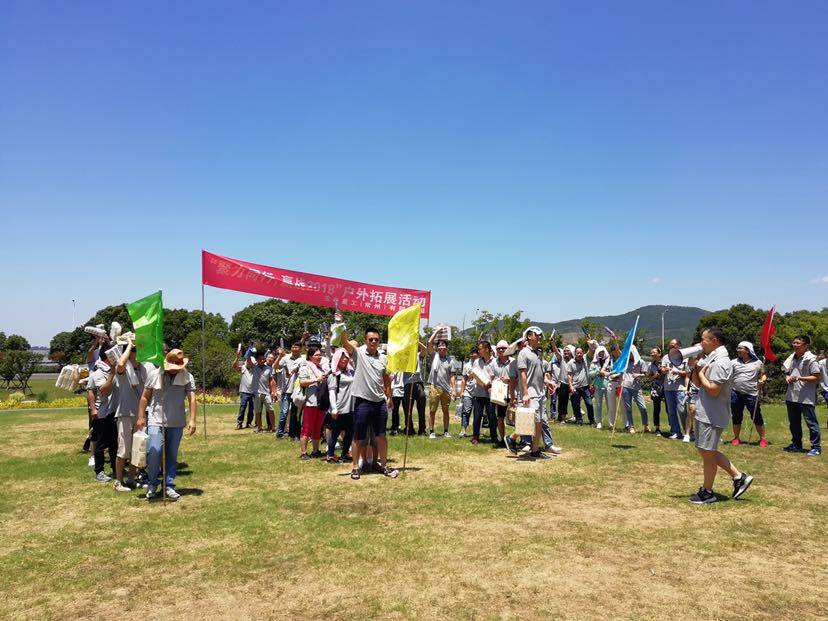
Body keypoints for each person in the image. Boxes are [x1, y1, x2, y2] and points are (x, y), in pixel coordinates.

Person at [687, 327, 753, 504]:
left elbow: (714, 390)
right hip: (706, 411)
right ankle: (738, 477)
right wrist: (695, 367)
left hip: (712, 413)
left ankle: (707, 492)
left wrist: (701, 373)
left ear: (714, 341)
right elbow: (697, 384)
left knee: (707, 453)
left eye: (704, 339)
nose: (700, 342)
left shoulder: (721, 362)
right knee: (706, 450)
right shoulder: (711, 359)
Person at [136, 349, 197, 501]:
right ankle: (152, 483)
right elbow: (145, 397)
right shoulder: (154, 374)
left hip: (176, 421)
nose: (176, 369)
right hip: (156, 419)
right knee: (154, 450)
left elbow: (192, 398)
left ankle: (169, 485)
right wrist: (141, 416)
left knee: (171, 454)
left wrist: (192, 419)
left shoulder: (187, 376)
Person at [340, 327, 398, 479]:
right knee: (358, 437)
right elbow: (345, 342)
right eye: (370, 339)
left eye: (376, 339)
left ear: (379, 341)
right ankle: (355, 467)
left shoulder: (384, 358)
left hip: (379, 402)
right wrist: (341, 327)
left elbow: (386, 379)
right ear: (365, 340)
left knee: (381, 436)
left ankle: (383, 466)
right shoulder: (358, 353)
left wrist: (389, 397)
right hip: (362, 402)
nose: (373, 342)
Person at [112, 339, 147, 491]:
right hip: (125, 413)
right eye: (135, 350)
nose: (138, 353)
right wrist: (128, 346)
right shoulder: (124, 369)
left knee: (137, 448)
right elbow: (120, 363)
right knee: (123, 450)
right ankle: (118, 482)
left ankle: (132, 479)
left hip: (140, 414)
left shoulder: (144, 369)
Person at [782, 335, 822, 456]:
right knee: (794, 423)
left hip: (806, 397)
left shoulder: (811, 359)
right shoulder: (791, 358)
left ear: (806, 346)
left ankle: (816, 447)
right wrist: (788, 377)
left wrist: (799, 378)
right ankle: (796, 444)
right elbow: (787, 372)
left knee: (811, 423)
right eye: (794, 343)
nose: (795, 345)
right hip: (792, 395)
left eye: (798, 343)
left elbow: (816, 377)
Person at [729, 341, 767, 447]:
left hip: (752, 394)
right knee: (736, 416)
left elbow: (763, 374)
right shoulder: (733, 362)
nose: (738, 350)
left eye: (740, 348)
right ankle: (736, 438)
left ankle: (763, 439)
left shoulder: (758, 362)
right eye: (737, 348)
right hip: (735, 393)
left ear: (747, 350)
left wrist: (763, 380)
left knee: (756, 416)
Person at [87, 355, 117, 482]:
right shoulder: (98, 373)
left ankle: (116, 469)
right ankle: (99, 471)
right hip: (102, 413)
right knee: (100, 443)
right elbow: (103, 390)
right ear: (107, 359)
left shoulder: (112, 371)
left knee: (114, 443)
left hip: (113, 412)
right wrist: (93, 409)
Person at [297, 346, 328, 460]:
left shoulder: (321, 368)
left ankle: (315, 451)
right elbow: (302, 382)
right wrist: (316, 380)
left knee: (317, 427)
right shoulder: (305, 367)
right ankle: (303, 452)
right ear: (310, 356)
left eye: (320, 355)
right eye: (316, 355)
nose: (319, 357)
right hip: (310, 402)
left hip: (320, 402)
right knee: (307, 427)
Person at [326, 347, 355, 463]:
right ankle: (330, 454)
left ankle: (345, 453)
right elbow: (332, 392)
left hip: (350, 408)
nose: (344, 360)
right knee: (335, 432)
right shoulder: (334, 375)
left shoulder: (350, 372)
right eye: (342, 358)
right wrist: (334, 408)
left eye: (346, 358)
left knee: (350, 432)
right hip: (339, 408)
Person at [426, 334, 456, 437]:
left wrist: (454, 389)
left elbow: (452, 376)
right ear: (437, 347)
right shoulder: (434, 356)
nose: (441, 347)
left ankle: (446, 431)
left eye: (443, 345)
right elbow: (429, 343)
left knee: (446, 411)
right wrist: (437, 331)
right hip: (435, 387)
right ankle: (431, 431)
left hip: (446, 389)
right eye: (439, 345)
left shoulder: (450, 360)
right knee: (432, 410)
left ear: (446, 347)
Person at [280, 340, 307, 440]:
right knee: (294, 413)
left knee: (302, 413)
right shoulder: (298, 361)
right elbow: (290, 372)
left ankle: (302, 433)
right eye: (293, 347)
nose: (295, 348)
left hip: (306, 388)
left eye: (297, 347)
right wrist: (287, 370)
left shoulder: (305, 359)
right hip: (296, 389)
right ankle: (294, 434)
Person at [662, 339, 689, 439]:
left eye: (673, 345)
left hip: (680, 388)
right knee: (671, 411)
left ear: (679, 346)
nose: (671, 347)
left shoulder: (685, 357)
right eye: (670, 346)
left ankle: (688, 431)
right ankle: (675, 431)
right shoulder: (666, 357)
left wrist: (677, 372)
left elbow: (687, 373)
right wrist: (664, 370)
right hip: (668, 388)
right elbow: (662, 369)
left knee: (682, 410)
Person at [488, 340, 513, 446]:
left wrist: (509, 380)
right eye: (499, 348)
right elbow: (491, 378)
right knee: (500, 417)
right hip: (499, 394)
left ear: (508, 349)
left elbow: (518, 379)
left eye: (503, 348)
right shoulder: (493, 363)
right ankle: (502, 439)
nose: (501, 350)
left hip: (512, 393)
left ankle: (520, 440)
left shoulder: (514, 362)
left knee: (516, 418)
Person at [621, 345, 650, 434]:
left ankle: (646, 425)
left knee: (643, 407)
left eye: (630, 353)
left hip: (637, 387)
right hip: (626, 386)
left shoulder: (641, 362)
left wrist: (639, 375)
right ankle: (631, 426)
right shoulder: (625, 362)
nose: (629, 355)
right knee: (628, 408)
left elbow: (646, 374)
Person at [566, 347, 595, 426]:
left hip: (585, 387)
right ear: (575, 354)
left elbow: (591, 351)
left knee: (589, 404)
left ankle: (592, 421)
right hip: (575, 387)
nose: (579, 354)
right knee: (576, 405)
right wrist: (570, 386)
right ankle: (579, 420)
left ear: (583, 353)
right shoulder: (571, 362)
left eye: (580, 353)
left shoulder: (586, 360)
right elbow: (569, 375)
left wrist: (589, 343)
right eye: (577, 353)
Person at [232, 346, 259, 430]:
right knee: (242, 407)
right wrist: (237, 357)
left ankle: (249, 423)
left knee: (251, 409)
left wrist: (249, 354)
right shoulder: (243, 367)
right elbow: (234, 366)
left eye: (250, 361)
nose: (249, 362)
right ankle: (239, 423)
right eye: (248, 361)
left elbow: (251, 361)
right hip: (244, 391)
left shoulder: (255, 369)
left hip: (253, 392)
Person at [253, 351, 279, 433]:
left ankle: (273, 427)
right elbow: (248, 361)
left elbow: (272, 380)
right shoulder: (253, 367)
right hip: (257, 393)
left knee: (271, 410)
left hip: (267, 392)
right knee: (258, 411)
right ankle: (259, 427)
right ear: (257, 360)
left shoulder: (269, 368)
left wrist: (273, 392)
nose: (262, 361)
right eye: (260, 359)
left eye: (263, 359)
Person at [458, 349, 478, 439]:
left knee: (477, 413)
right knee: (466, 411)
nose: (473, 355)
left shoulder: (481, 364)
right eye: (472, 354)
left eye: (475, 354)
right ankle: (463, 430)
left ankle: (476, 431)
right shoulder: (467, 365)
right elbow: (464, 379)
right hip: (468, 392)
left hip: (478, 393)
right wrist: (462, 392)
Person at [590, 346, 610, 429]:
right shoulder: (594, 363)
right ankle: (599, 422)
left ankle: (610, 423)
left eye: (602, 352)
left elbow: (613, 371)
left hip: (608, 385)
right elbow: (590, 374)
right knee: (598, 405)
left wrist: (607, 372)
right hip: (598, 386)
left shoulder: (609, 362)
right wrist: (598, 372)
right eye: (599, 352)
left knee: (610, 405)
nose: (601, 354)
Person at [648, 347, 666, 436]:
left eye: (654, 352)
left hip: (666, 387)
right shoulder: (651, 365)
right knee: (656, 408)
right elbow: (649, 377)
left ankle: (673, 428)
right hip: (655, 388)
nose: (652, 354)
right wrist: (654, 376)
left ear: (659, 353)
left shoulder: (665, 362)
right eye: (651, 353)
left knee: (669, 408)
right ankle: (657, 428)